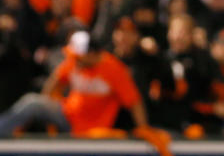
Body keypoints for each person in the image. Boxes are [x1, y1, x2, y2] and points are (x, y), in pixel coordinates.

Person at [0, 30, 149, 136]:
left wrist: (143, 129)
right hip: (68, 116)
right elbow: (56, 80)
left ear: (92, 54)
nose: (75, 60)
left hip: (94, 128)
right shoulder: (75, 62)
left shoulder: (114, 69)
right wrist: (48, 101)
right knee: (33, 102)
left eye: (79, 57)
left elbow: (134, 102)